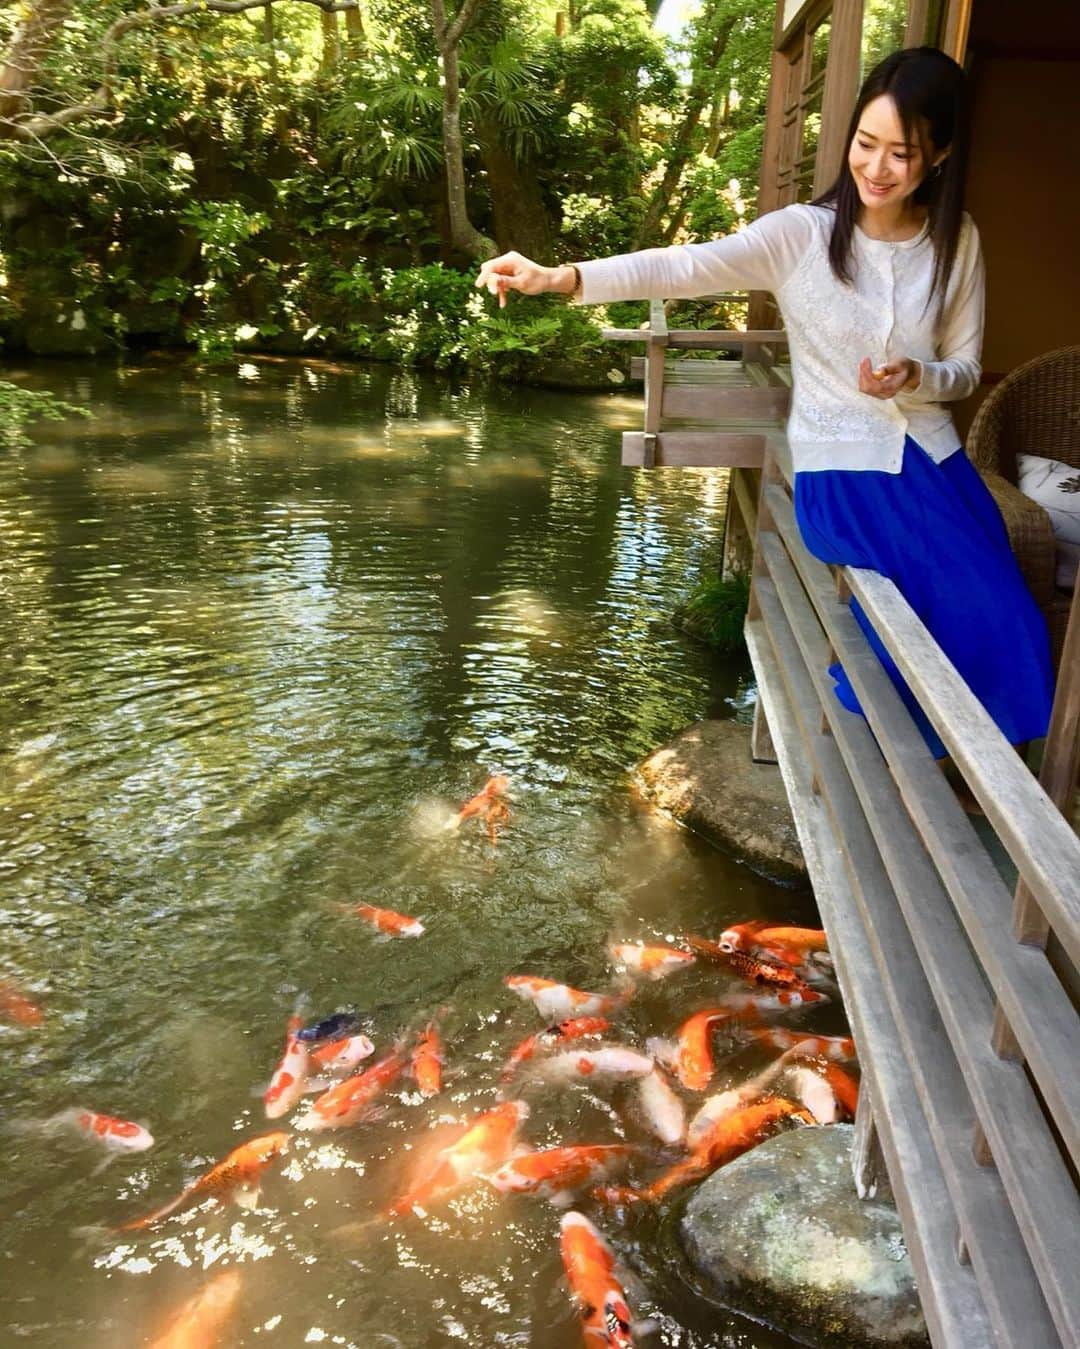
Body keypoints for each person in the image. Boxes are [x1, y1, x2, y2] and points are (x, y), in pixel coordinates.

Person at [475, 46, 1053, 763]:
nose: (874, 168)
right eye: (864, 144)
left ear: (938, 156)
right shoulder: (801, 236)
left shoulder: (957, 242)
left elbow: (964, 370)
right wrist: (559, 277)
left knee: (1009, 620)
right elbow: (683, 266)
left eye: (900, 153)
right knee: (949, 609)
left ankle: (957, 763)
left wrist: (916, 376)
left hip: (933, 458)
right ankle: (897, 753)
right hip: (845, 470)